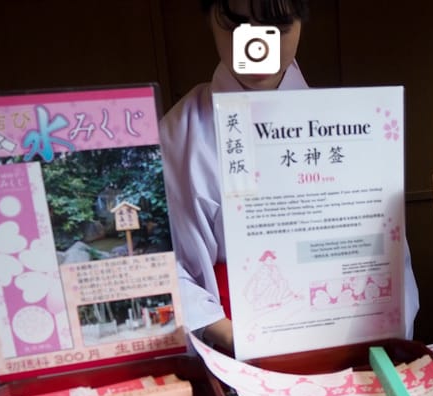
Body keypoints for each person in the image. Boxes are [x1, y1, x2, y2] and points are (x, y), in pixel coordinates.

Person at [161, 0, 419, 354]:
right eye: (236, 24)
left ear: (302, 21)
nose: (257, 46)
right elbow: (159, 263)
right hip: (228, 350)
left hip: (345, 347)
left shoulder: (353, 127)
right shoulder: (179, 133)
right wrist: (222, 331)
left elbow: (388, 257)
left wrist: (380, 325)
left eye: (278, 27)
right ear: (209, 17)